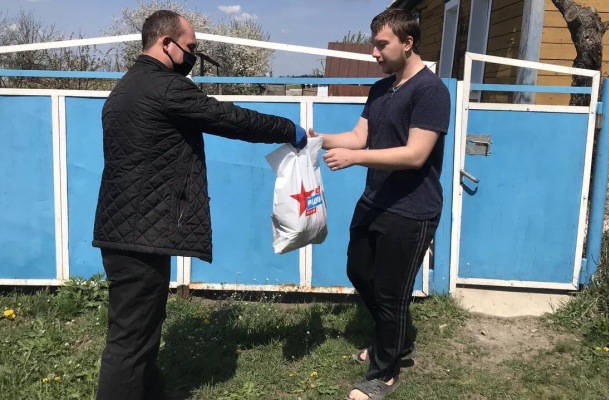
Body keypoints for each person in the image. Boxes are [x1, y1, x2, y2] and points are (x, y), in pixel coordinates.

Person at [92, 10, 306, 400]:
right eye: (190, 47)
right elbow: (231, 118)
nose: (193, 55)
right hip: (141, 235)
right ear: (166, 44)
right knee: (129, 341)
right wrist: (287, 129)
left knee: (141, 328)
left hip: (124, 229)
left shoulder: (125, 88)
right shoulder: (165, 87)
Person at [309, 8, 450, 400]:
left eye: (381, 44)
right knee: (358, 270)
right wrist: (318, 138)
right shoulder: (381, 89)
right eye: (374, 43)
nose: (374, 52)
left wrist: (355, 159)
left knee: (391, 294)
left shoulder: (430, 91)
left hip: (412, 209)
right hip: (374, 201)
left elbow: (415, 154)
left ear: (407, 43)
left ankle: (385, 372)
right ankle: (397, 339)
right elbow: (359, 136)